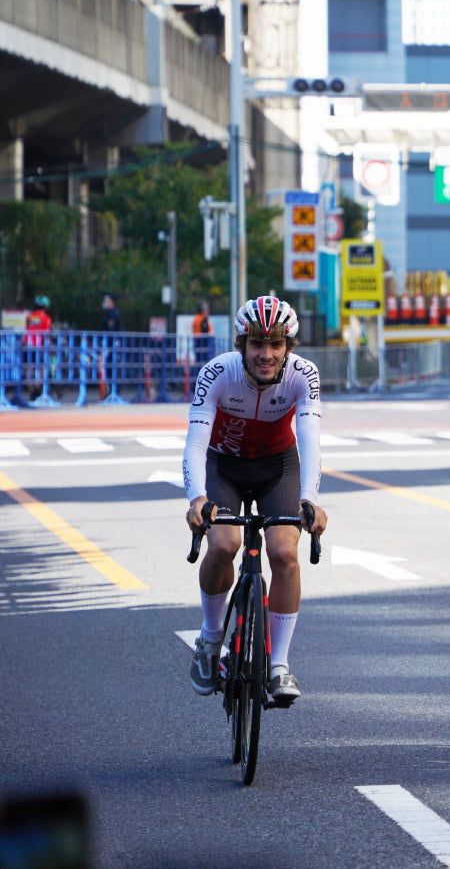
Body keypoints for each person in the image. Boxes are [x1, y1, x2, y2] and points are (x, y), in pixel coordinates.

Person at [183, 296, 327, 706]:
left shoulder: (303, 375)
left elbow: (311, 441)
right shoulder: (217, 373)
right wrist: (197, 499)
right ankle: (211, 640)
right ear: (242, 344)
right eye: (257, 344)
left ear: (288, 348)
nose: (266, 354)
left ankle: (278, 665)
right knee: (224, 544)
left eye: (276, 344)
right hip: (223, 466)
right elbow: (195, 444)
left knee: (285, 553)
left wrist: (310, 500)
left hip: (277, 467)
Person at [23, 295, 53, 401]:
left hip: (27, 345)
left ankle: (32, 392)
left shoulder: (29, 316)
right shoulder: (46, 318)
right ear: (45, 306)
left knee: (28, 370)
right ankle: (37, 389)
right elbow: (46, 334)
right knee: (42, 368)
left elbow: (27, 329)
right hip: (38, 346)